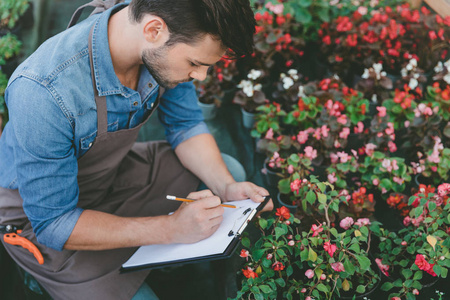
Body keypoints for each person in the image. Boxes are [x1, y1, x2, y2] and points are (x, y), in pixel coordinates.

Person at [0, 0, 273, 299]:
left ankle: (154, 255)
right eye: (195, 64)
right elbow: (54, 224)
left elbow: (186, 124)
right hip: (45, 220)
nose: (201, 76)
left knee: (228, 174)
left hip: (111, 177)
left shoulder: (161, 36)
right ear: (154, 29)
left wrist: (228, 186)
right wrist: (170, 229)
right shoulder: (43, 92)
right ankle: (40, 278)